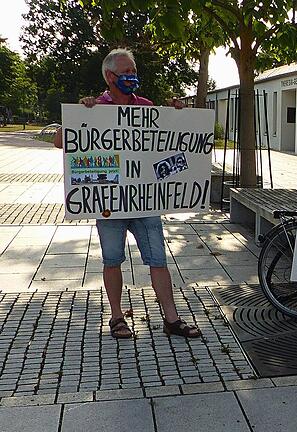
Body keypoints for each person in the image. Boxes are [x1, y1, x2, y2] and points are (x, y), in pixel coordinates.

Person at [54, 48, 201, 340]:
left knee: (158, 259)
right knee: (112, 260)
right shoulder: (95, 108)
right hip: (110, 204)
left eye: (134, 71)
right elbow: (60, 141)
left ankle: (171, 319)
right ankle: (117, 317)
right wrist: (82, 114)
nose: (133, 76)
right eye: (127, 72)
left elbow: (172, 138)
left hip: (144, 201)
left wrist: (179, 117)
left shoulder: (146, 107)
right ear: (110, 77)